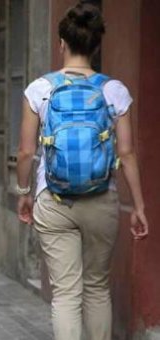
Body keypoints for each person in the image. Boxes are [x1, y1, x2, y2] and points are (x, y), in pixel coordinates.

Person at [16, 3, 148, 340]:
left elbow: (27, 152)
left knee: (65, 294)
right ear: (97, 45)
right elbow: (127, 152)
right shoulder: (113, 90)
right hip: (101, 198)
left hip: (53, 198)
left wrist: (23, 194)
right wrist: (139, 206)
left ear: (62, 42)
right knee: (97, 287)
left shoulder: (39, 90)